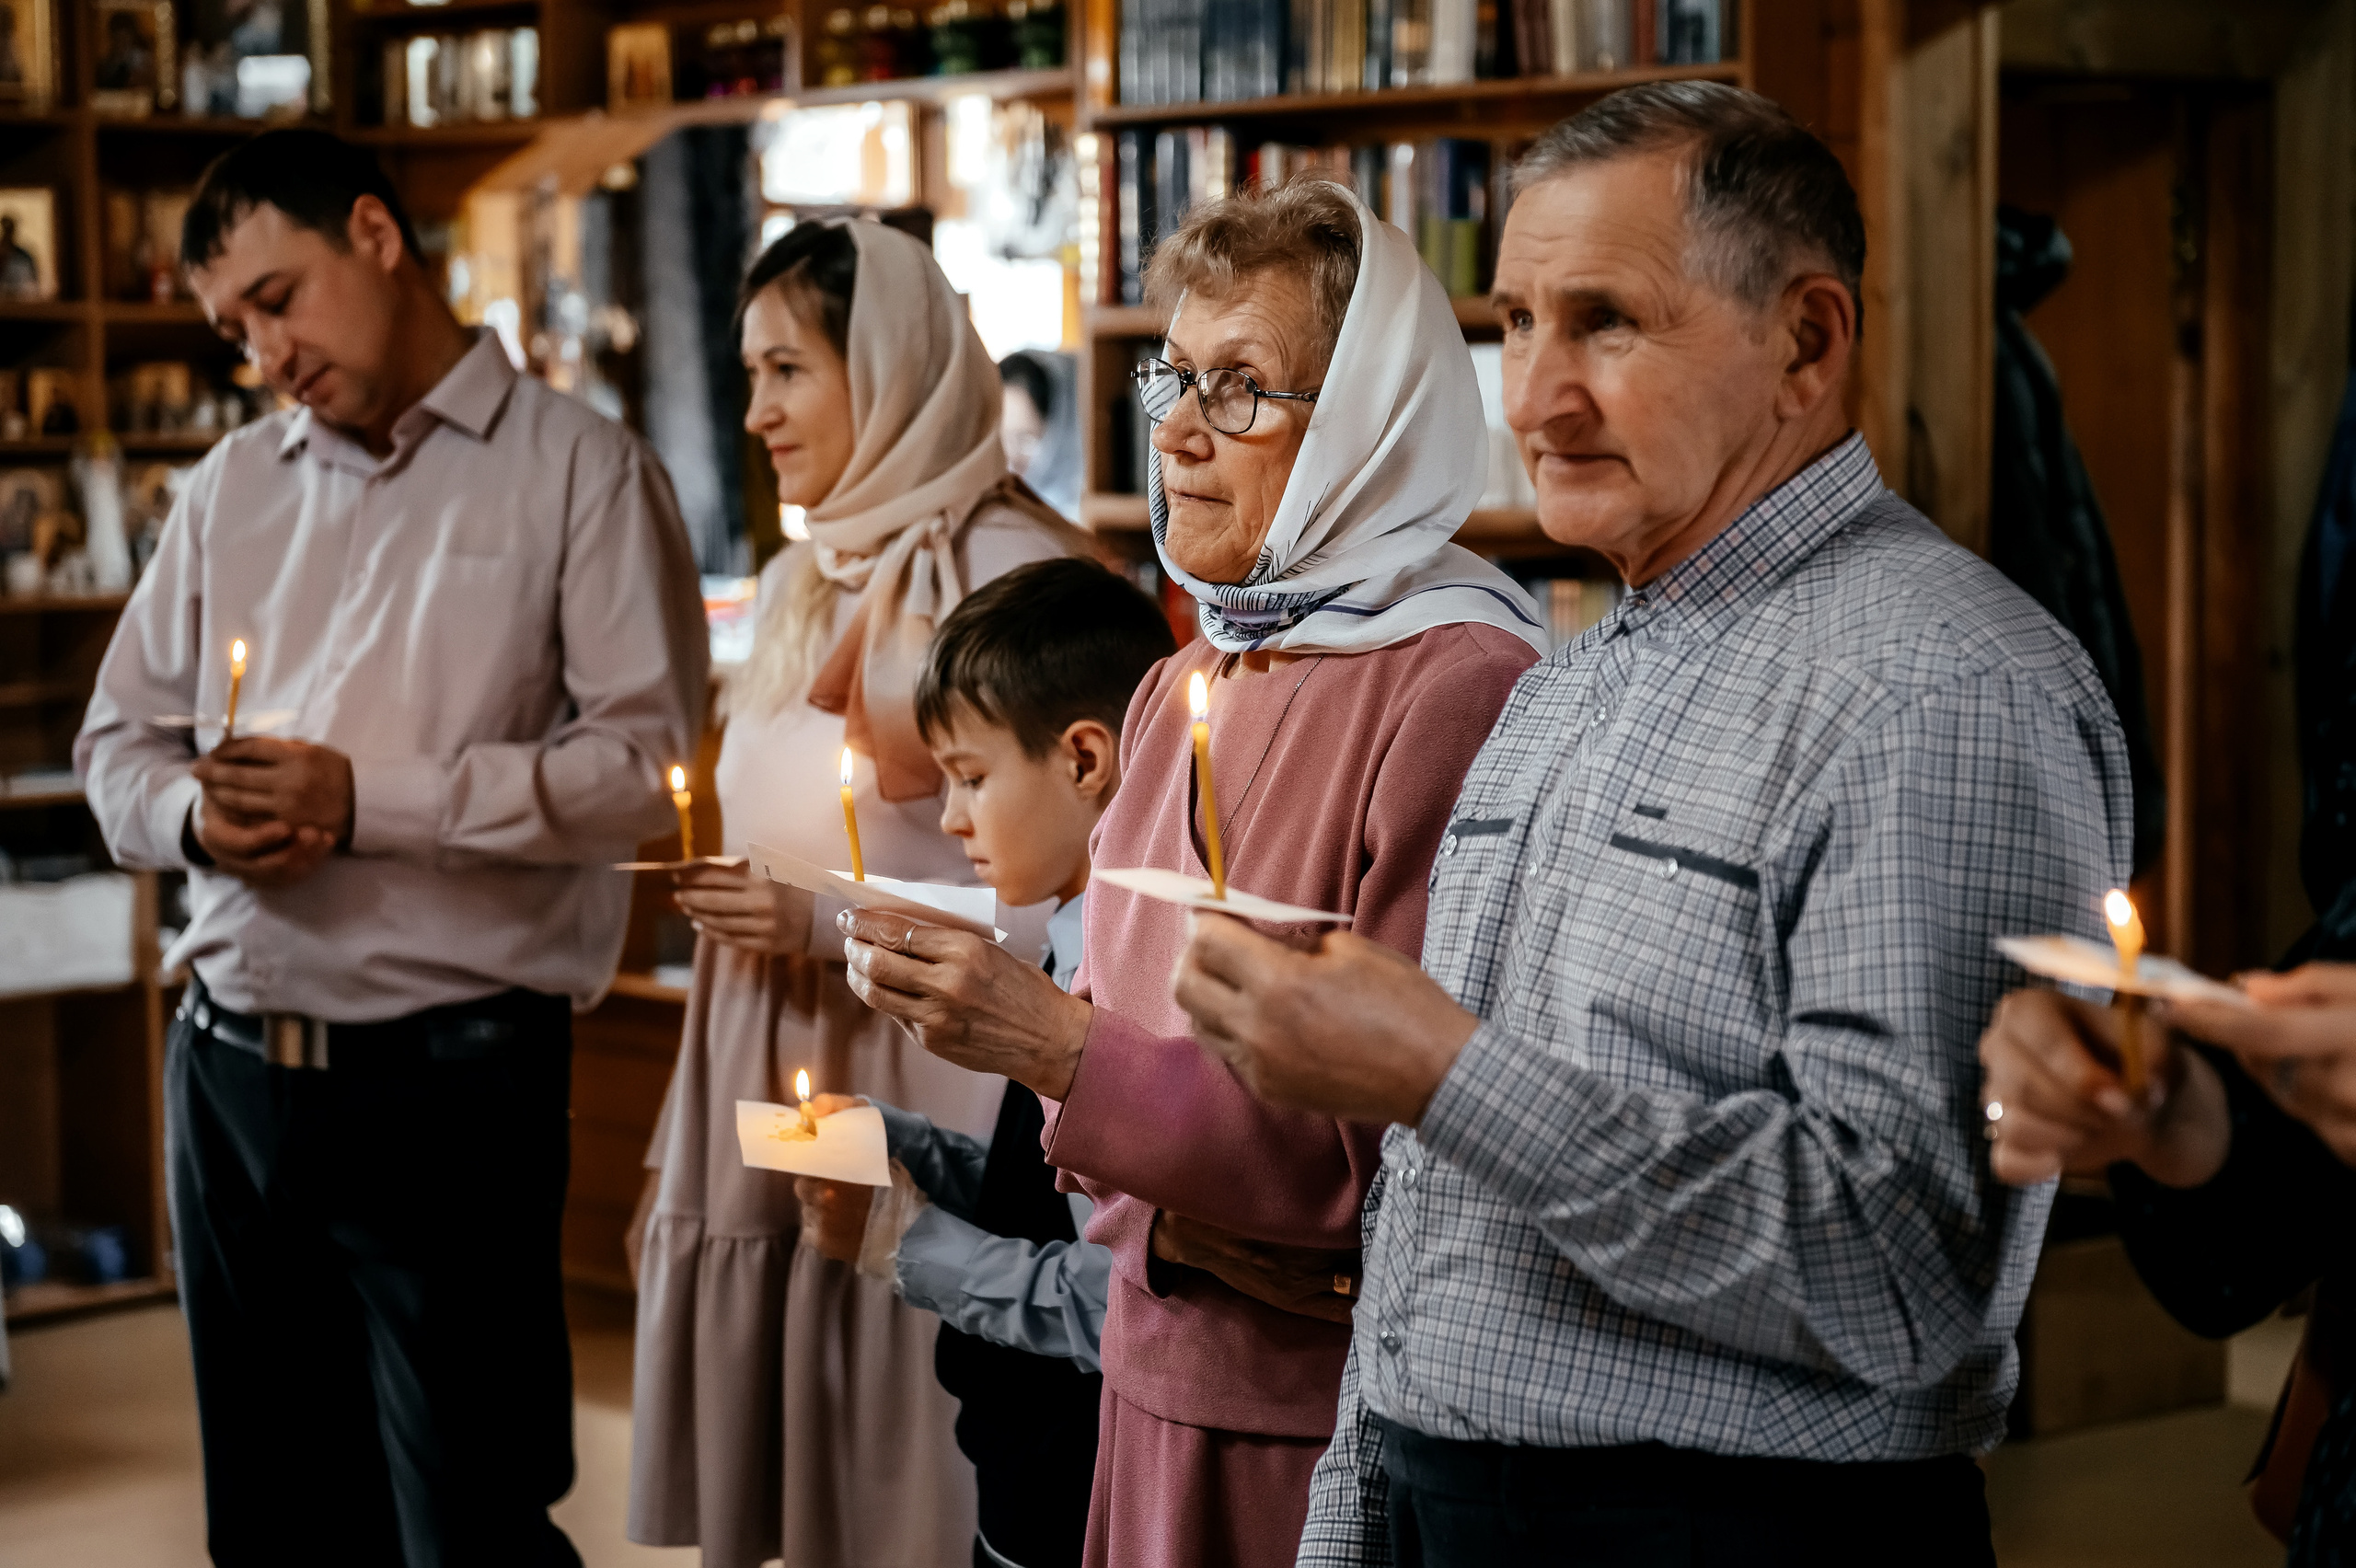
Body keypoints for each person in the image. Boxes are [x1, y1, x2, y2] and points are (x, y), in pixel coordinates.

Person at [1162, 84, 2132, 1568]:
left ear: (1806, 343)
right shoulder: (1567, 683)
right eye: (1518, 323)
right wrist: (1352, 1521)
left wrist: (1444, 1070)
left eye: (1606, 323)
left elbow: (1904, 1270)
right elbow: (1428, 1233)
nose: (1537, 397)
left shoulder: (1942, 688)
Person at [836, 174, 1549, 1568]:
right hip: (1148, 1375)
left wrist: (1056, 1053)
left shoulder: (1459, 684)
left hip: (1315, 1426)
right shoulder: (1180, 684)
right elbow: (1106, 1162)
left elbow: (1381, 1163)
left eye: (1240, 388)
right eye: (1173, 376)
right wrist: (1161, 1220)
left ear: (1363, 420)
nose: (1176, 430)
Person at [73, 129, 708, 1566]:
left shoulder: (583, 473)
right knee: (273, 1533)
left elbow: (639, 774)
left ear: (374, 234)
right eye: (236, 331)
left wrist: (366, 802)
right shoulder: (228, 487)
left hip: (452, 1085)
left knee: (469, 1529)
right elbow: (115, 752)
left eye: (277, 299)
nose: (265, 355)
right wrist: (195, 817)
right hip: (225, 1076)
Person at [625, 217, 1091, 1568]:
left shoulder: (1022, 582)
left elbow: (1084, 914)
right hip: (770, 1033)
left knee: (909, 1461)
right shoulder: (796, 578)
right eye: (749, 375)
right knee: (799, 1459)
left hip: (935, 1066)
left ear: (886, 370)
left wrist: (827, 919)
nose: (757, 411)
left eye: (789, 371)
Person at [797, 555, 1171, 1568]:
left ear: (1085, 759)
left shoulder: (1134, 976)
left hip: (1080, 1477)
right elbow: (1049, 1192)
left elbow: (1121, 1300)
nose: (951, 817)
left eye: (970, 777)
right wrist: (904, 1147)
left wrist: (907, 1244)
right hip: (1020, 1456)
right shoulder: (1068, 939)